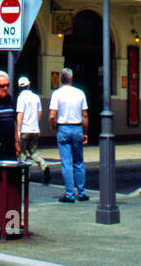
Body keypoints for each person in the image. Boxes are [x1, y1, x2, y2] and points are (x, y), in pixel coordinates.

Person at [49, 68, 88, 203]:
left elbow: (52, 115)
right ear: (71, 79)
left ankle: (70, 194)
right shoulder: (80, 93)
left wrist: (53, 126)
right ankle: (82, 193)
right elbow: (85, 115)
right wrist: (85, 132)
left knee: (66, 163)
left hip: (63, 128)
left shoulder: (57, 94)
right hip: (77, 128)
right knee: (78, 162)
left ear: (61, 79)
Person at [15, 76, 50, 184]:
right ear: (29, 85)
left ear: (19, 87)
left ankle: (23, 176)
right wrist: (37, 126)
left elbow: (20, 114)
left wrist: (18, 131)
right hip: (34, 129)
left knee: (23, 153)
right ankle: (44, 166)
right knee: (33, 151)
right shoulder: (36, 97)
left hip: (24, 130)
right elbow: (40, 113)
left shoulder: (20, 98)